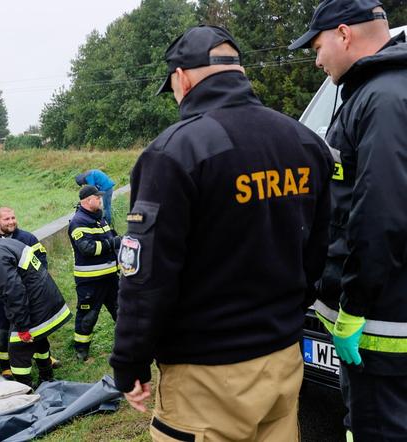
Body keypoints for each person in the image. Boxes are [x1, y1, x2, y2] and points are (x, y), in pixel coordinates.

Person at [109, 25, 333, 441]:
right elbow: (317, 249)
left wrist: (130, 362)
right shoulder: (304, 142)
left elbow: (147, 278)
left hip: (207, 376)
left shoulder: (175, 152)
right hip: (283, 357)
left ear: (182, 78)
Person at [290, 1, 407, 440]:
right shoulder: (376, 91)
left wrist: (353, 308)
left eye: (318, 46)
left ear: (343, 34)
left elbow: (382, 216)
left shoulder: (382, 97)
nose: (317, 59)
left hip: (383, 323)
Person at [0, 228, 71, 387]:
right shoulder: (4, 243)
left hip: (34, 305)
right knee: (38, 339)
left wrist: (23, 327)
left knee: (17, 350)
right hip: (45, 297)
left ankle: (25, 390)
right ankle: (47, 378)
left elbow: (15, 293)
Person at [0, 206, 50, 377]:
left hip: (27, 296)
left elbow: (42, 260)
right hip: (0, 300)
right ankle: (5, 366)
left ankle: (44, 362)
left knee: (37, 332)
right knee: (2, 334)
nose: (11, 222)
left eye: (13, 218)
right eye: (6, 219)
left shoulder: (27, 237)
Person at [68, 185, 120, 362]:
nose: (100, 200)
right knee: (88, 317)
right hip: (90, 281)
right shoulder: (78, 222)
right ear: (88, 200)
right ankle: (81, 349)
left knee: (121, 310)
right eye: (97, 198)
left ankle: (129, 343)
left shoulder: (100, 219)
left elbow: (110, 238)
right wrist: (113, 243)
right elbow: (88, 249)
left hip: (111, 277)